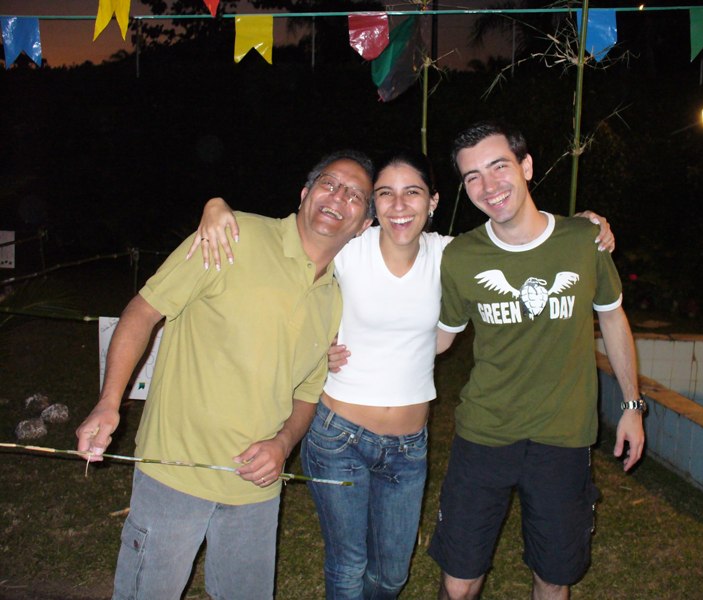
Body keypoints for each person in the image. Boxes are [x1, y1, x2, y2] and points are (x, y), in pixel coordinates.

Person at [192, 149, 615, 600]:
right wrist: (216, 205)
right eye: (385, 194)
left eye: (412, 192)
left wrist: (585, 223)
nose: (398, 205)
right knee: (348, 565)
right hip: (338, 435)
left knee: (392, 575)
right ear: (372, 204)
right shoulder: (349, 248)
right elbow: (286, 252)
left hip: (408, 446)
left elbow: (521, 241)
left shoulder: (451, 254)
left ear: (432, 201)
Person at [75, 150, 375, 600]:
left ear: (363, 224)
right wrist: (108, 402)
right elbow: (143, 311)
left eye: (354, 195)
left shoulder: (333, 297)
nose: (338, 197)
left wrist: (283, 445)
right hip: (175, 472)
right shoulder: (232, 234)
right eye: (329, 183)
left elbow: (306, 394)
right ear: (305, 194)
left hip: (255, 490)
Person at [428, 121, 645, 600]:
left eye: (498, 166)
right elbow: (440, 339)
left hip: (562, 437)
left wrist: (632, 406)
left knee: (553, 576)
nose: (488, 185)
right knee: (458, 581)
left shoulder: (583, 239)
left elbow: (612, 318)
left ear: (526, 167)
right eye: (472, 177)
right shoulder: (461, 255)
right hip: (484, 432)